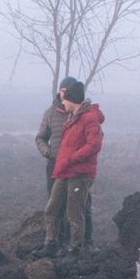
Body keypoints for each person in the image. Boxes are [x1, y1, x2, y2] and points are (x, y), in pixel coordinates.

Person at [43, 78, 103, 257]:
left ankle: (75, 249)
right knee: (52, 207)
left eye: (65, 99)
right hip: (65, 170)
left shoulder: (89, 119)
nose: (62, 102)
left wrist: (73, 158)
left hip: (79, 173)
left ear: (72, 100)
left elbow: (94, 145)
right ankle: (50, 243)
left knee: (74, 212)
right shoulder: (72, 118)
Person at [35, 76, 93, 238]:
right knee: (54, 205)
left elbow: (93, 142)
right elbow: (40, 137)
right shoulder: (50, 113)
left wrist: (77, 158)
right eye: (62, 91)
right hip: (55, 165)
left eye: (67, 92)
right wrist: (48, 152)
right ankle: (57, 240)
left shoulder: (82, 115)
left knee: (81, 206)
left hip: (76, 168)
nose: (63, 95)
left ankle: (86, 241)